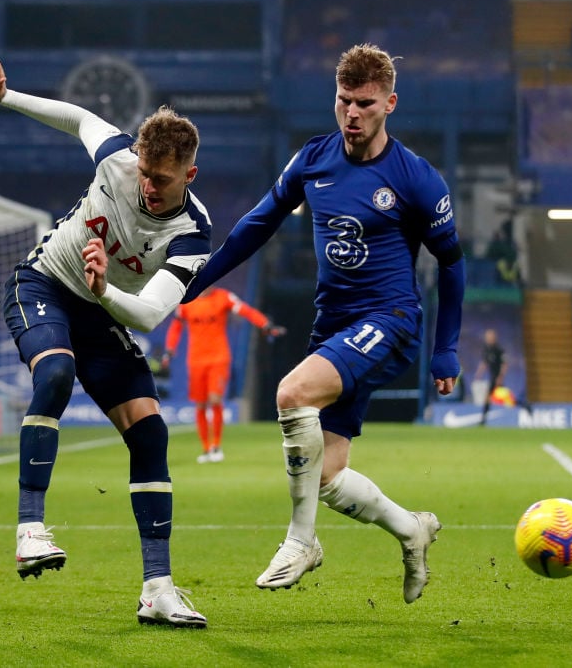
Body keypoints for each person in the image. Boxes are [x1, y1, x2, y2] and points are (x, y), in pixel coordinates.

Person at [183, 43, 465, 603]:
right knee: (329, 477)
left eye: (364, 103)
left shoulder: (416, 179)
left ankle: (301, 541)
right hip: (333, 324)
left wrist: (446, 348)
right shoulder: (312, 159)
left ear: (390, 104)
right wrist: (199, 279)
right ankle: (412, 528)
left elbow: (452, 263)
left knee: (292, 393)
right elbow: (257, 224)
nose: (351, 114)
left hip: (389, 318)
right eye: (343, 102)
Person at [0, 55, 210, 628]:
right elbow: (77, 117)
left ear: (190, 175)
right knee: (55, 372)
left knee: (150, 433)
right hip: (44, 285)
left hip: (103, 308)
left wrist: (105, 290)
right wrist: (9, 97)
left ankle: (158, 588)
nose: (148, 187)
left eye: (162, 179)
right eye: (143, 172)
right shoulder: (118, 158)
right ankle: (30, 528)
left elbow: (152, 316)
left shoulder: (192, 233)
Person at [162, 287, 286, 463]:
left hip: (218, 358)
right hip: (196, 360)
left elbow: (246, 311)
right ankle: (206, 449)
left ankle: (216, 446)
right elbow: (176, 326)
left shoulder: (224, 297)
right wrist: (169, 350)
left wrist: (265, 324)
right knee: (200, 404)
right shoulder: (186, 302)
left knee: (215, 400)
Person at [475, 328, 506, 425]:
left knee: (506, 398)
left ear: (494, 338)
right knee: (490, 398)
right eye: (487, 337)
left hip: (497, 378)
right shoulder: (487, 349)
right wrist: (479, 373)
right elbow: (484, 363)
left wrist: (500, 377)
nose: (488, 339)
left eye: (490, 337)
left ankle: (524, 407)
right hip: (493, 378)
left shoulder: (498, 350)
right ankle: (483, 419)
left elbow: (504, 364)